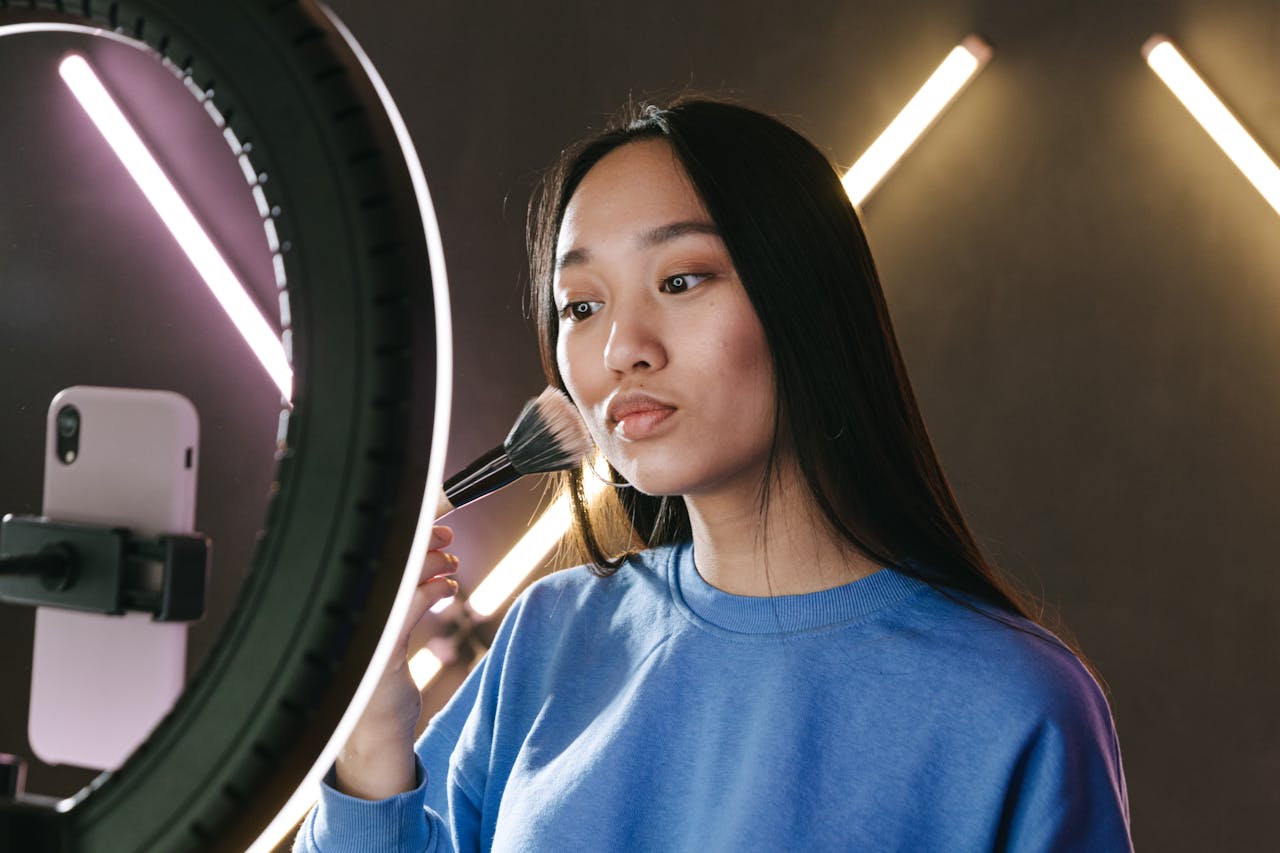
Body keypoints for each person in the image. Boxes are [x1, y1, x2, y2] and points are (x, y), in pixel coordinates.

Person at [296, 98, 1132, 852]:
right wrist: (371, 733)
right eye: (581, 306)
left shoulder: (1016, 707)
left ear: (801, 297)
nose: (623, 346)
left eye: (682, 279)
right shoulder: (548, 638)